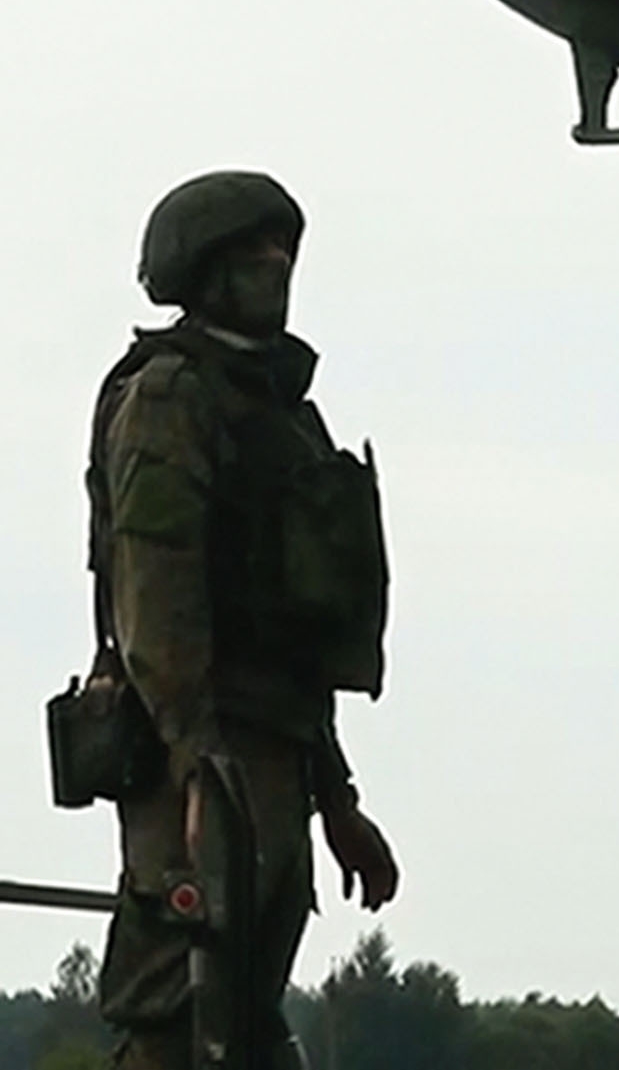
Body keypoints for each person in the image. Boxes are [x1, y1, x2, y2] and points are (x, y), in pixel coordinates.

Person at [91, 171, 400, 1069]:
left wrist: (337, 799)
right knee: (176, 1023)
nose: (277, 263)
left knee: (249, 1027)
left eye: (282, 247)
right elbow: (157, 601)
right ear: (204, 270)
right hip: (199, 762)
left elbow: (298, 634)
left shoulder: (281, 412)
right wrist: (198, 770)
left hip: (273, 762)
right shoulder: (169, 397)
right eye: (251, 250)